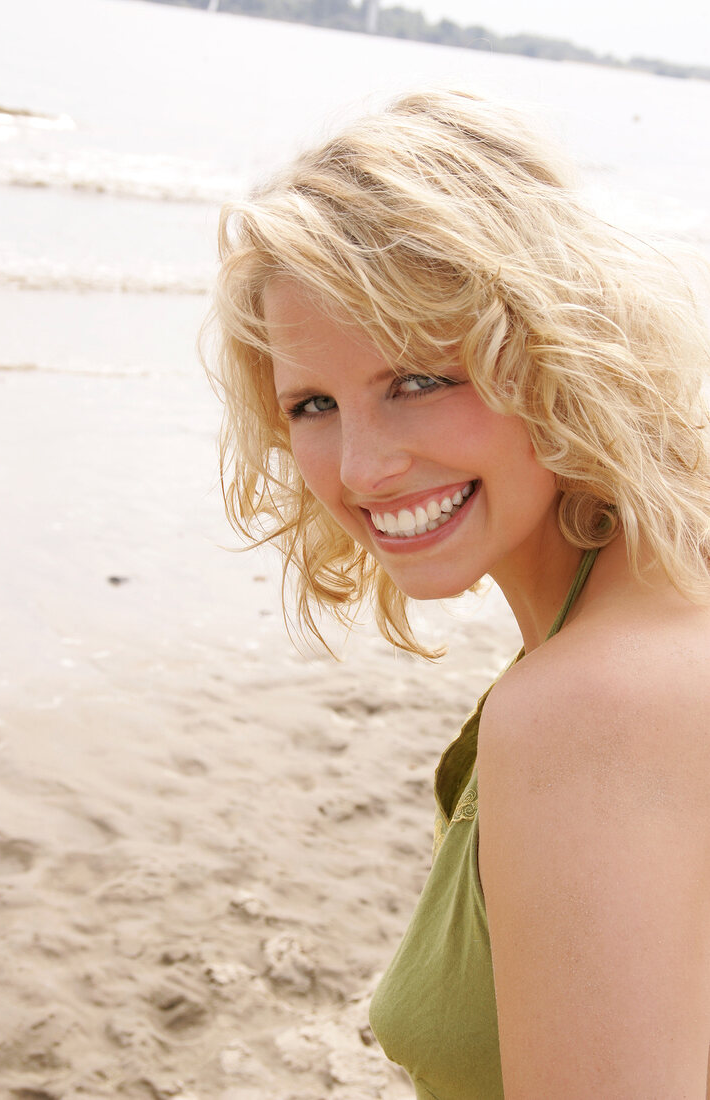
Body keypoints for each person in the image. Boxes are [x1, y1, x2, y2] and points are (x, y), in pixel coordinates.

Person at [208, 88, 710, 1098]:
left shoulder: (591, 708)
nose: (359, 468)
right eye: (312, 403)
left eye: (417, 380)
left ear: (553, 344)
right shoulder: (665, 591)